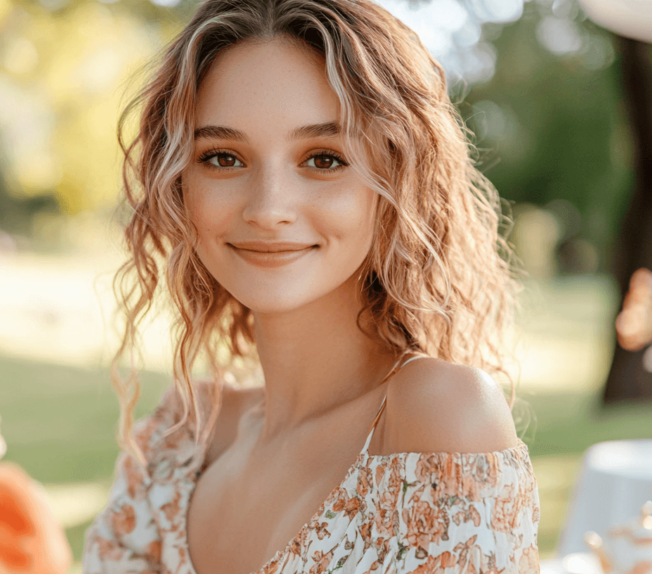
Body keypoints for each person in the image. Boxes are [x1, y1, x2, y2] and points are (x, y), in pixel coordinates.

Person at [83, 0, 540, 571]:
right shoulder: (181, 436)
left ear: (396, 180)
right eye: (223, 157)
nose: (269, 208)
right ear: (177, 184)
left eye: (323, 159)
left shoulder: (438, 418)